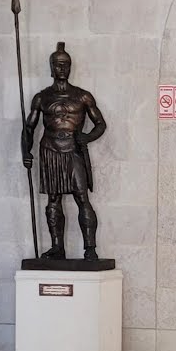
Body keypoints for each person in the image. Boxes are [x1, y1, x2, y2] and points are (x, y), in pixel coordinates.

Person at [21, 42, 106, 260]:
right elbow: (29, 128)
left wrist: (86, 137)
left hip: (73, 150)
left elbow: (100, 124)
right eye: (57, 64)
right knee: (53, 199)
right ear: (51, 67)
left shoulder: (82, 96)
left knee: (82, 197)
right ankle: (57, 247)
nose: (61, 68)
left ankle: (90, 248)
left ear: (70, 67)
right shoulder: (42, 97)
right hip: (50, 150)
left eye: (65, 64)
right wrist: (26, 152)